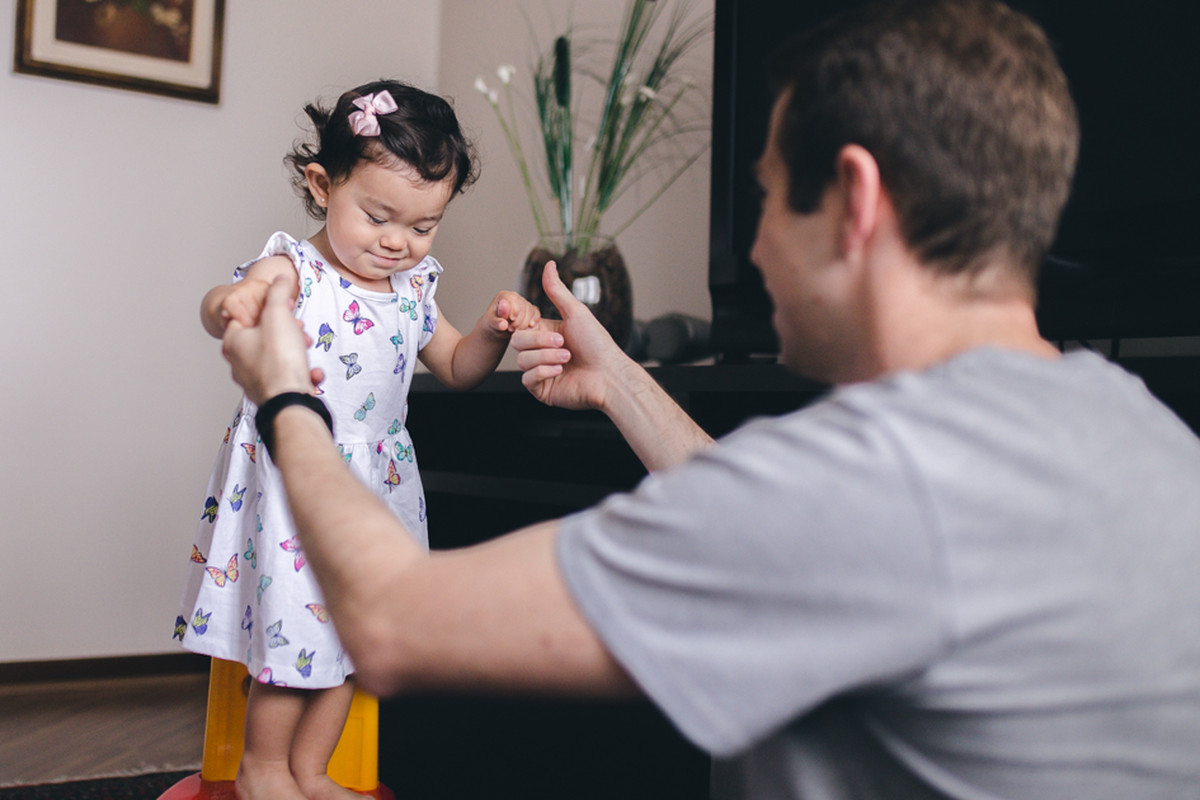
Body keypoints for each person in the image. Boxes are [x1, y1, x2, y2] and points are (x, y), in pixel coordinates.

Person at [215, 2, 1200, 798]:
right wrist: (625, 384)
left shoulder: (877, 476)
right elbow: (790, 531)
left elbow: (390, 622)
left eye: (768, 196)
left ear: (854, 201)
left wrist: (287, 396)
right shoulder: (1148, 432)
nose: (756, 245)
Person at [173, 79, 539, 800]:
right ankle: (264, 770)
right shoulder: (296, 269)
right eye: (378, 217)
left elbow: (459, 369)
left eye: (425, 226)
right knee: (298, 640)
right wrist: (235, 304)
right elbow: (219, 304)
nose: (400, 243)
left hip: (374, 486)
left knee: (353, 642)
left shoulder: (412, 292)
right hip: (294, 485)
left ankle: (310, 773)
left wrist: (494, 333)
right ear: (321, 185)